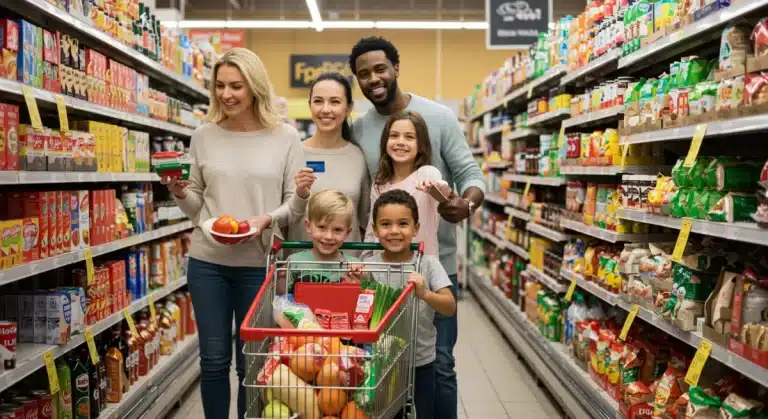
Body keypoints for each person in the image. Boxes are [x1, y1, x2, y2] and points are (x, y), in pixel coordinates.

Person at [161, 47, 315, 419]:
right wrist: (181, 193)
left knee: (252, 362)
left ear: (255, 87)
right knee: (213, 360)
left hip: (258, 264)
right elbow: (197, 207)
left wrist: (267, 218)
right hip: (208, 263)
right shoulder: (203, 136)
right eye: (220, 86)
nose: (226, 94)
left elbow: (295, 202)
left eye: (236, 86)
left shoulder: (286, 137)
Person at [349, 36, 485, 418]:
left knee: (439, 362)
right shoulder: (359, 129)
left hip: (434, 267)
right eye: (363, 74)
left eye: (380, 69)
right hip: (383, 272)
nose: (374, 78)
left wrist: (466, 203)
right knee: (386, 360)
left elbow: (469, 175)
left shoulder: (438, 117)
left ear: (396, 68)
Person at [364, 189, 456, 419]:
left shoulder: (428, 264)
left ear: (416, 228)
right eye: (385, 224)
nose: (394, 231)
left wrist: (425, 293)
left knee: (422, 413)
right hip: (380, 362)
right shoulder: (368, 266)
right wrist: (358, 282)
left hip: (420, 361)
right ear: (375, 229)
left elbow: (449, 306)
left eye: (403, 223)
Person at [286, 72, 370, 245]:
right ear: (310, 105)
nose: (325, 109)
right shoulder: (292, 153)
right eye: (318, 101)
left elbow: (366, 220)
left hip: (347, 267)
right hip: (299, 266)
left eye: (335, 102)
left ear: (348, 108)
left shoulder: (358, 157)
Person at [362, 111, 454, 257]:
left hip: (419, 269)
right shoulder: (379, 184)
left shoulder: (427, 174)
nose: (400, 142)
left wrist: (440, 189)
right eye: (394, 136)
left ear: (421, 145)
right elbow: (371, 233)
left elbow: (442, 191)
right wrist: (365, 263)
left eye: (409, 137)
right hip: (382, 271)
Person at [279, 189, 363, 294]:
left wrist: (358, 282)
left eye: (337, 230)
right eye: (322, 227)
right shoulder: (294, 262)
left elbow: (365, 300)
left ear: (348, 232)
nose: (328, 236)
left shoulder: (354, 266)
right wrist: (281, 278)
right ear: (308, 226)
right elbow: (281, 298)